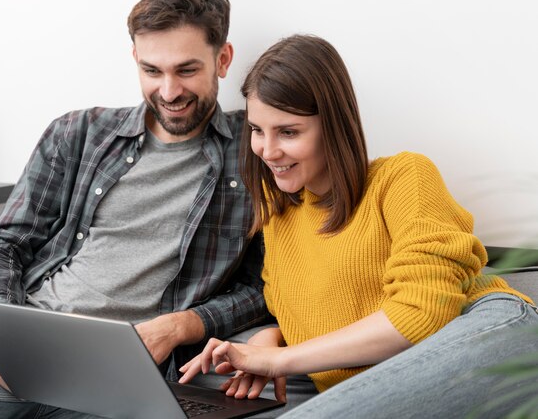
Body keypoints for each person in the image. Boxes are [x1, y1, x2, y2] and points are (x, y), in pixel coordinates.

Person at [0, 0, 269, 418]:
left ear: (223, 59)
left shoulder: (258, 152)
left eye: (187, 70)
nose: (170, 91)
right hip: (18, 339)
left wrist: (179, 326)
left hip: (123, 369)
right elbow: (1, 242)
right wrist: (3, 332)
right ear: (135, 60)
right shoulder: (78, 133)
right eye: (152, 71)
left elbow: (263, 288)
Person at [179, 34, 538, 417]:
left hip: (496, 331)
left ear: (333, 125)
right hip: (386, 380)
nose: (268, 150)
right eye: (257, 130)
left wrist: (281, 361)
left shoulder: (403, 177)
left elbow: (420, 314)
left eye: (288, 131)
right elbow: (334, 304)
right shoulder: (278, 218)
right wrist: (274, 336)